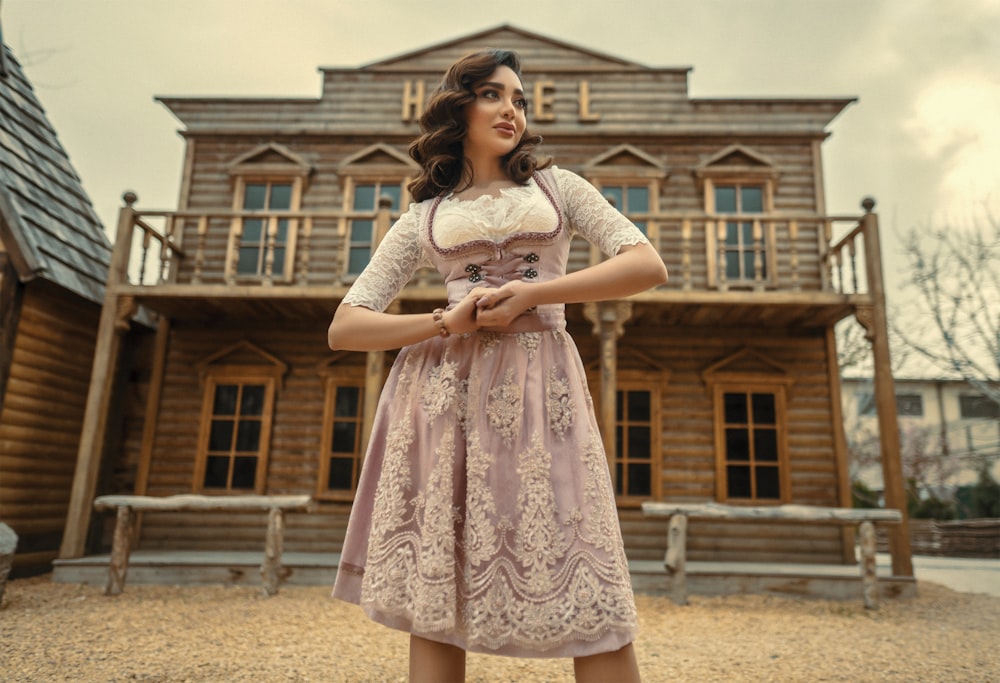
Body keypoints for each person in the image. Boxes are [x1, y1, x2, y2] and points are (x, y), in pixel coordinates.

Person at [329, 48, 667, 683]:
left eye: (519, 98)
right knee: (439, 581)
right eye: (493, 94)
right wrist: (442, 321)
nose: (511, 108)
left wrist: (537, 292)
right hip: (442, 395)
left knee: (583, 563)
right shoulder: (423, 218)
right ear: (459, 107)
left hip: (544, 382)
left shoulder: (559, 189)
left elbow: (646, 265)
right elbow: (345, 326)